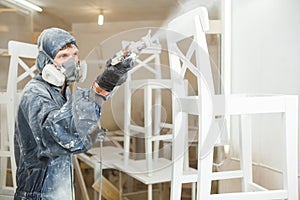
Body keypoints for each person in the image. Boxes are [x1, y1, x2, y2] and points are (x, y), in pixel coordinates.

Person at [13, 27, 133, 200]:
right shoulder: (35, 94)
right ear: (45, 62)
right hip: (38, 193)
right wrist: (101, 87)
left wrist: (111, 81)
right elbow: (57, 134)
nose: (73, 62)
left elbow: (75, 127)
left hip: (59, 189)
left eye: (74, 54)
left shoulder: (62, 91)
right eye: (63, 56)